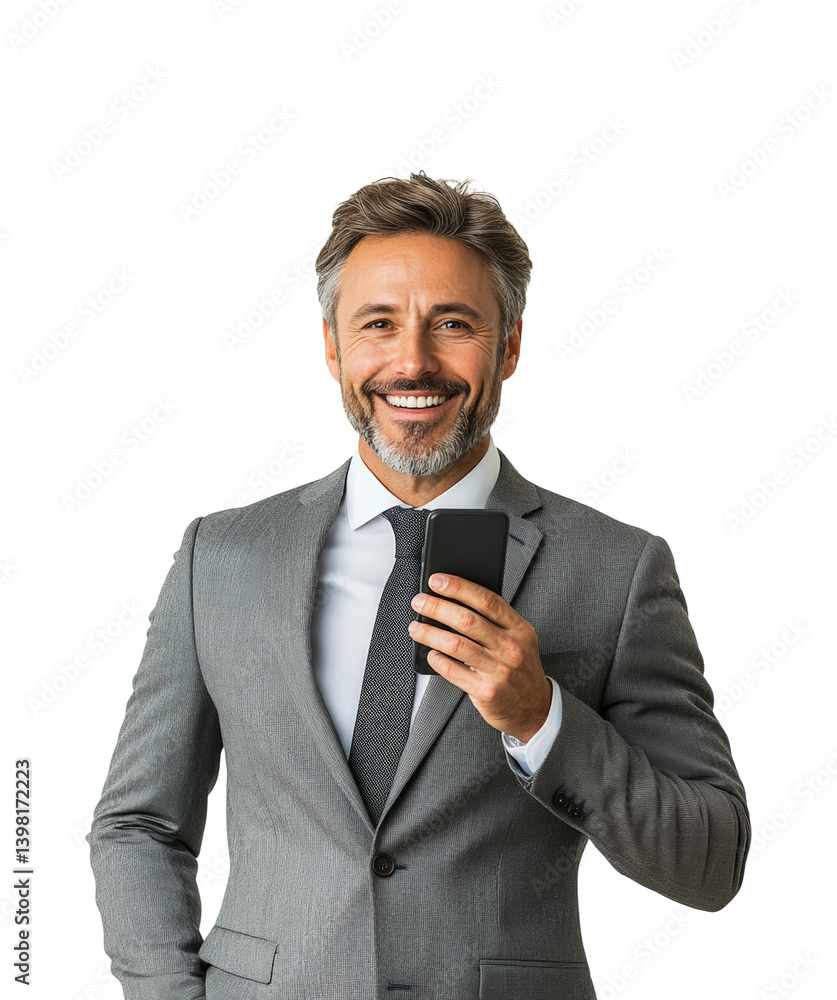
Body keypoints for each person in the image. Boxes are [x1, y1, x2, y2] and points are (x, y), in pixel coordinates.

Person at [87, 172, 750, 1000]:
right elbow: (138, 824)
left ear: (507, 345)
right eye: (377, 324)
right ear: (331, 344)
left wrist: (540, 718)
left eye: (453, 324)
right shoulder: (220, 558)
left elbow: (711, 860)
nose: (412, 361)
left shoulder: (616, 570)